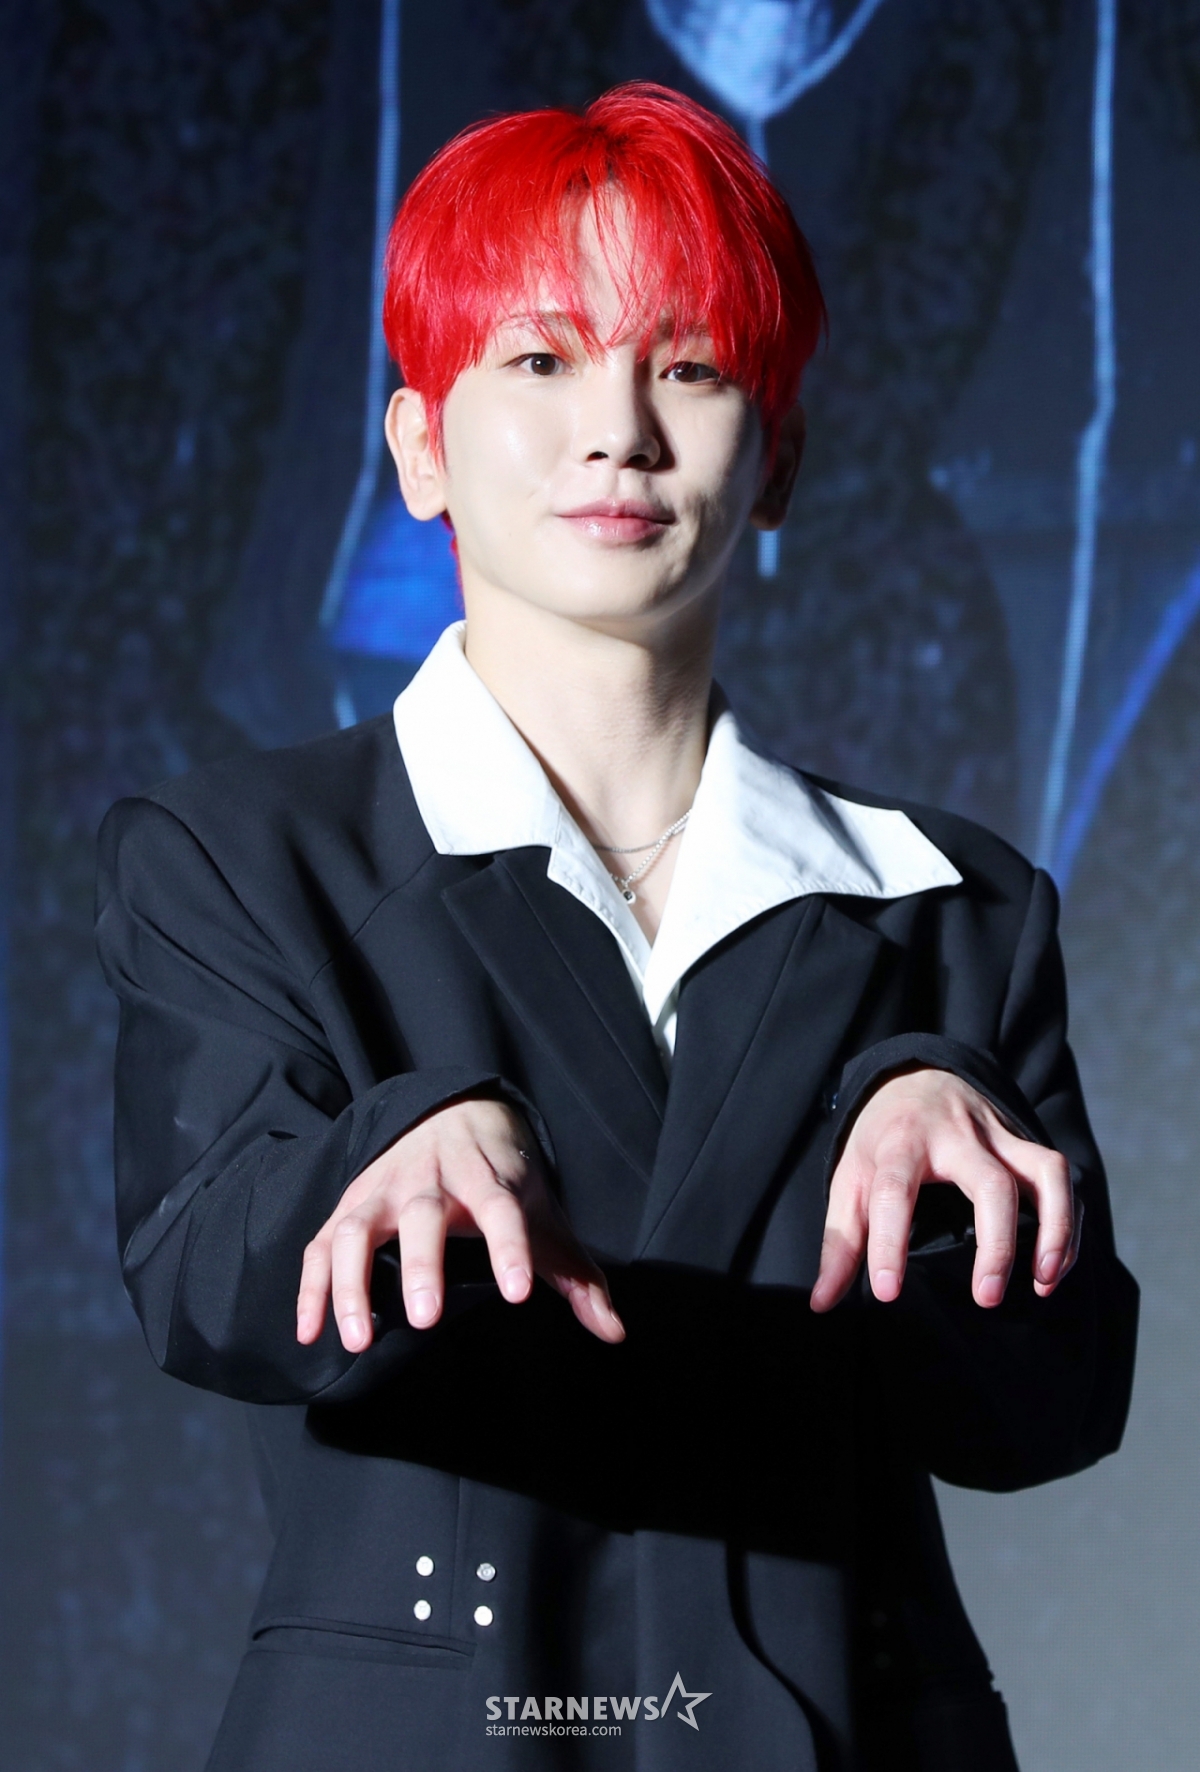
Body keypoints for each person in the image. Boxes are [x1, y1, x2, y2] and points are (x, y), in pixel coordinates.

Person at [95, 83, 1137, 1772]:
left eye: (693, 367)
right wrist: (389, 1152)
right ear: (419, 447)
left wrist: (957, 1184)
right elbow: (204, 1276)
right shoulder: (237, 857)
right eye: (540, 358)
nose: (620, 431)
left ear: (778, 458)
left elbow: (1052, 1411)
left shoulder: (957, 907)